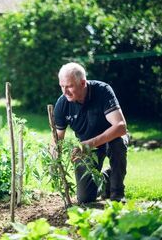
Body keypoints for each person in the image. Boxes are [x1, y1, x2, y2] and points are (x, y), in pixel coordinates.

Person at [54, 62, 128, 203]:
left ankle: (117, 193)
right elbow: (57, 138)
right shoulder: (62, 104)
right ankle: (106, 178)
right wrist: (53, 161)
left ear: (82, 83)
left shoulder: (102, 91)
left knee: (118, 142)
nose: (65, 92)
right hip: (86, 149)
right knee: (85, 198)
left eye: (69, 86)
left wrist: (88, 144)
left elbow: (120, 127)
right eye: (62, 86)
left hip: (109, 140)